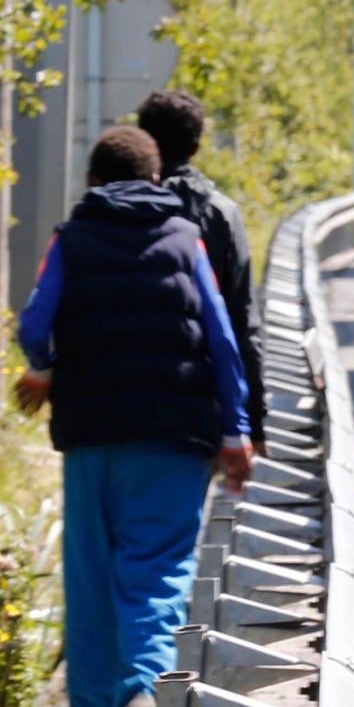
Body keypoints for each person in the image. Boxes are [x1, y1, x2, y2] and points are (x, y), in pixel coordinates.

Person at [17, 126, 255, 707]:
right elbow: (221, 337)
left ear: (92, 181)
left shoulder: (70, 239)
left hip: (91, 433)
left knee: (91, 577)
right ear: (158, 180)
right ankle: (144, 691)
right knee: (156, 571)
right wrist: (235, 434)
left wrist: (43, 368)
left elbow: (35, 325)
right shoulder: (186, 239)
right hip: (175, 436)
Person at [136, 89, 268, 447]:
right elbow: (242, 324)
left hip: (118, 402)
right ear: (196, 147)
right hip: (197, 402)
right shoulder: (222, 215)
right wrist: (251, 422)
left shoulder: (112, 210)